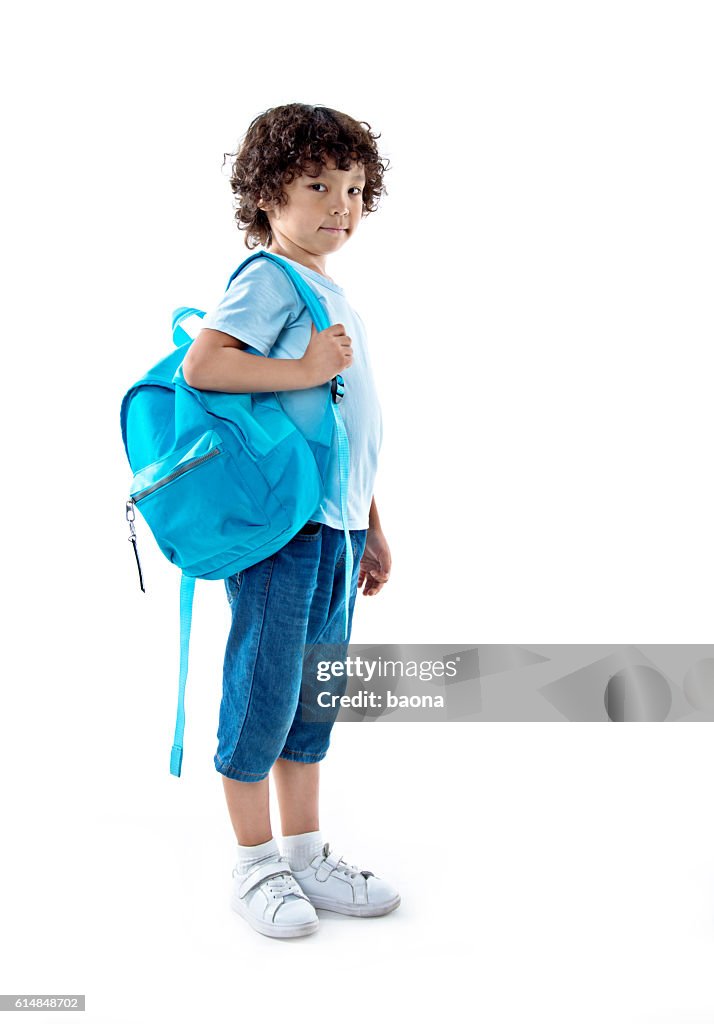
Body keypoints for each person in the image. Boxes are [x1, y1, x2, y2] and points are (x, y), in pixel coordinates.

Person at [182, 103, 400, 939]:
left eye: (352, 188)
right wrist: (305, 362)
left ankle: (306, 855)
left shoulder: (328, 285)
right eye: (318, 185)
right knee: (263, 699)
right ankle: (252, 866)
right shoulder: (269, 278)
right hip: (284, 534)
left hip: (334, 530)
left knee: (312, 703)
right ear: (267, 197)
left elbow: (340, 424)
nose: (340, 205)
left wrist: (371, 526)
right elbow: (206, 364)